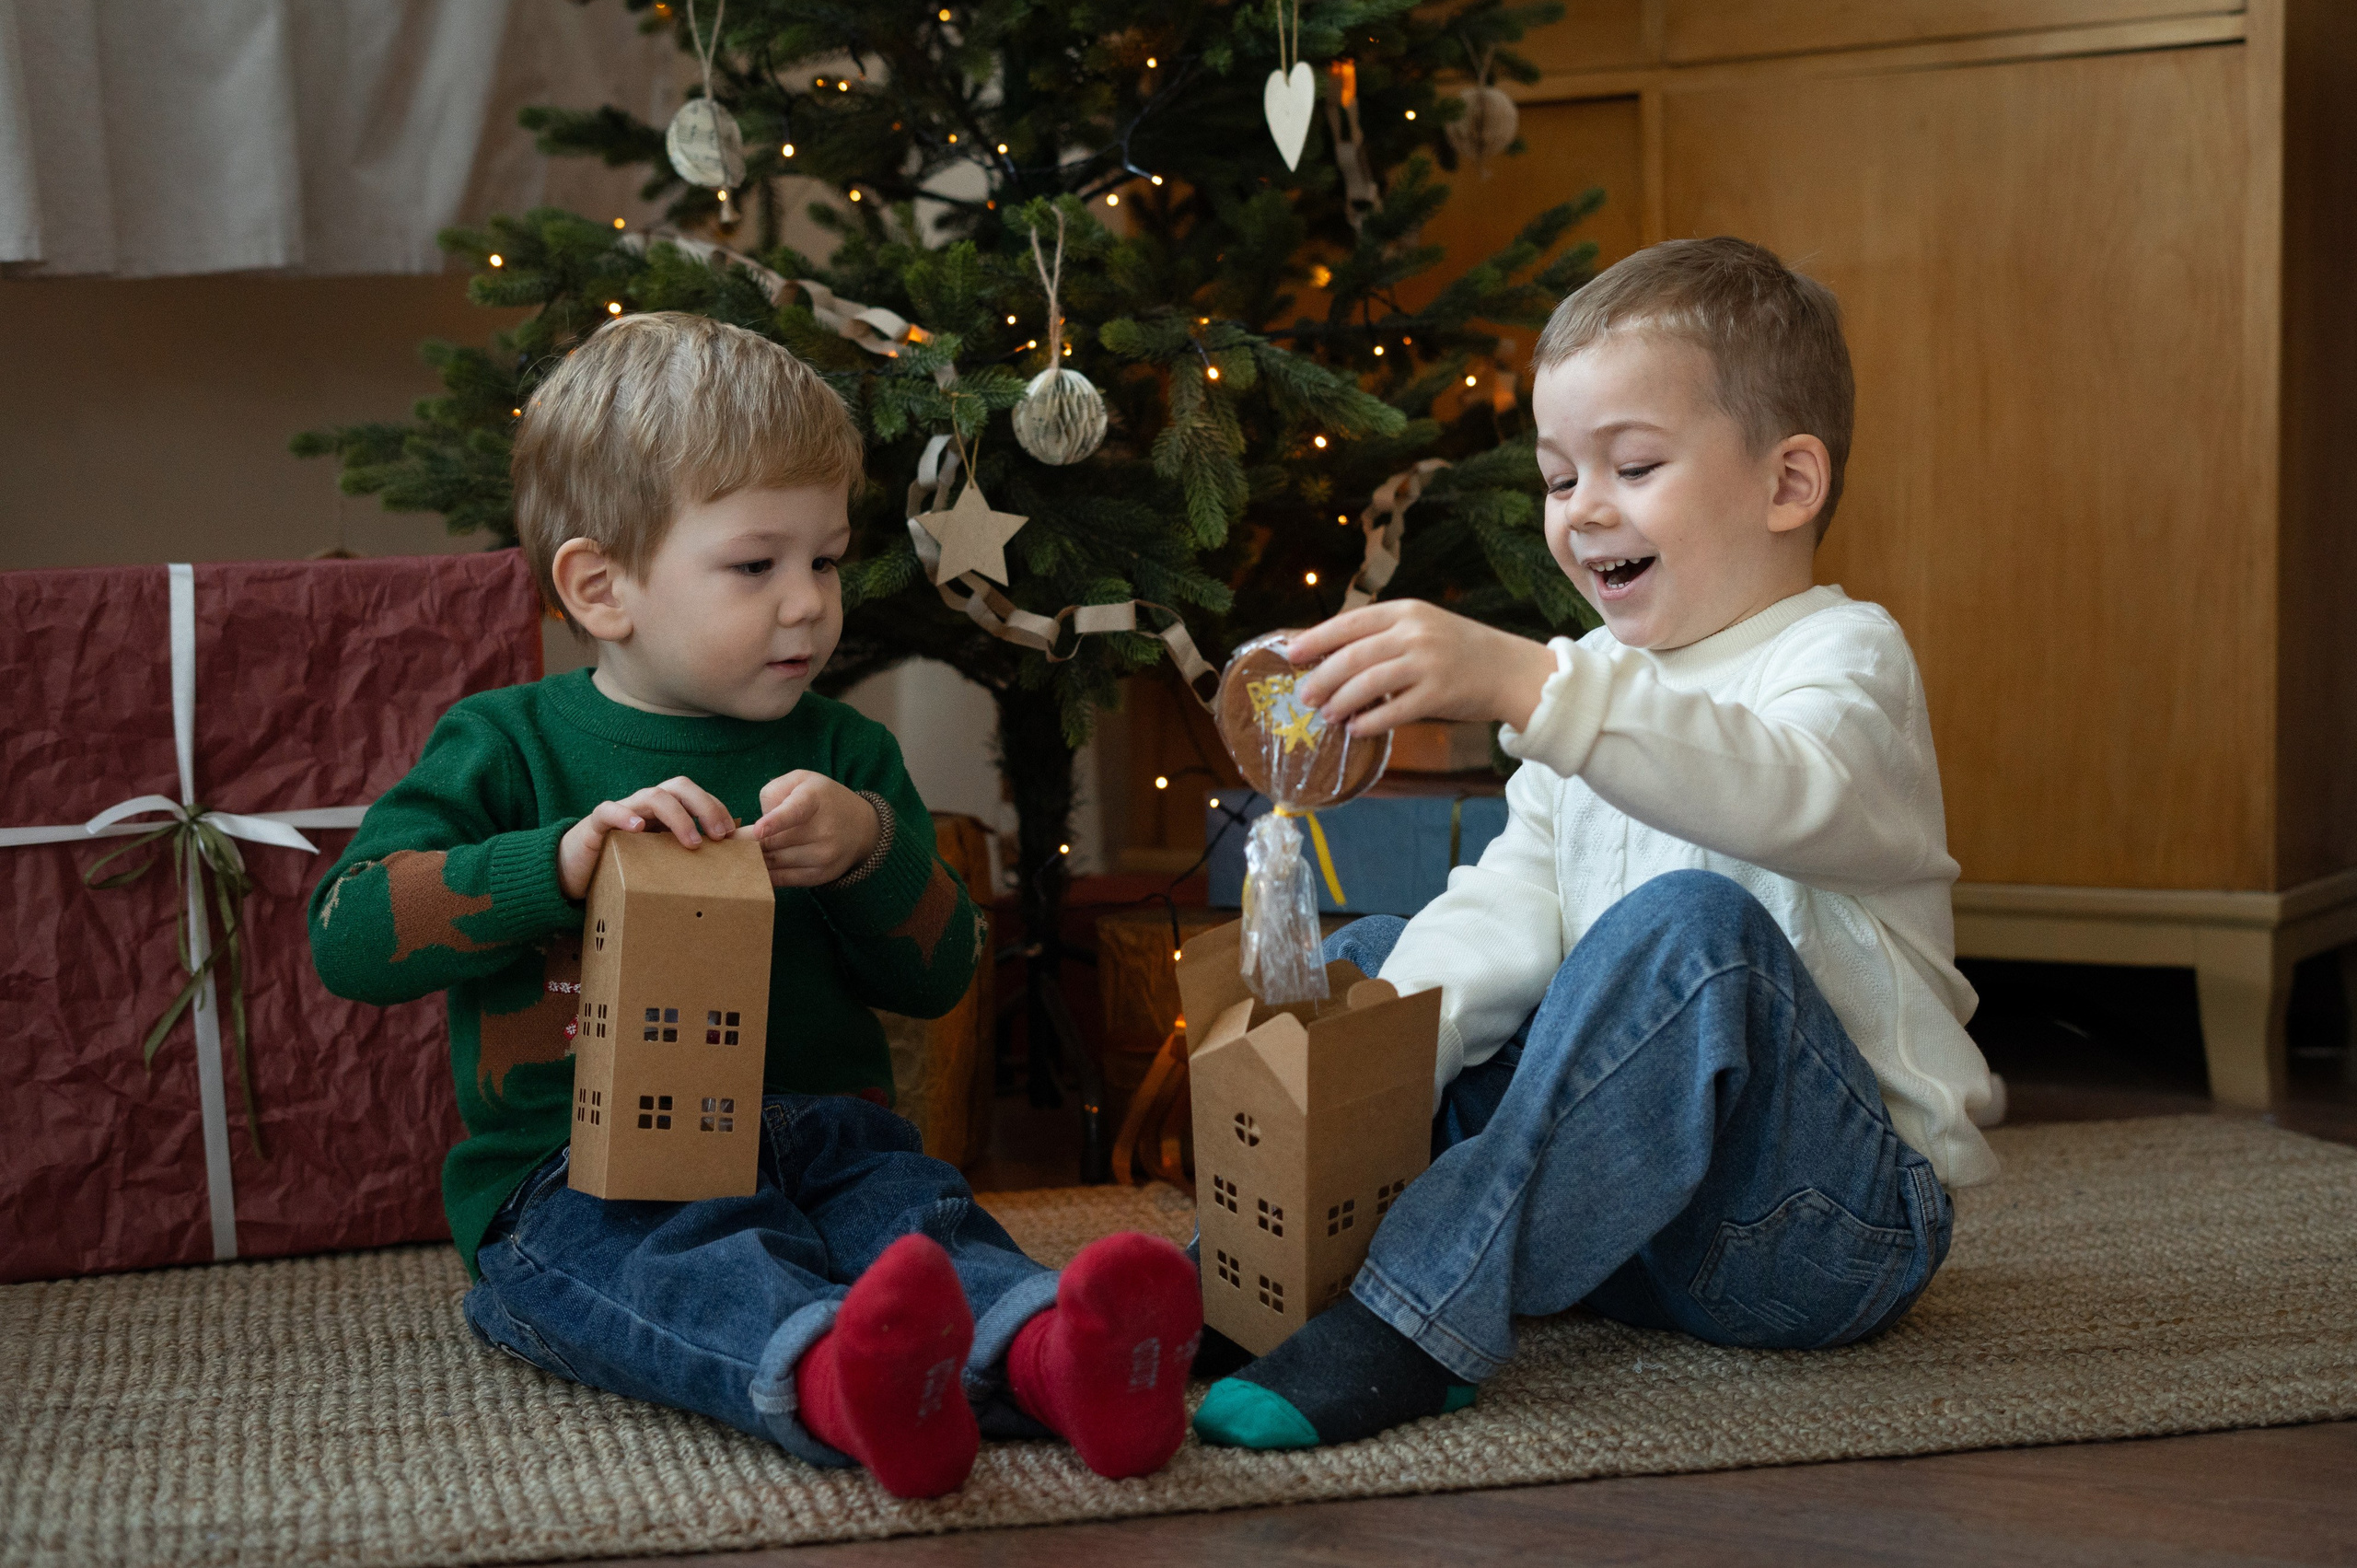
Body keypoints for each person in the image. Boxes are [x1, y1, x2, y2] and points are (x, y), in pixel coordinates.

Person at [308, 313, 1198, 1497]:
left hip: (829, 1135)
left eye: (824, 561)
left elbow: (938, 972)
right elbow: (350, 933)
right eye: (755, 565)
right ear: (602, 585)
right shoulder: (504, 746)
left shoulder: (845, 754)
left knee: (918, 1222)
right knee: (684, 1268)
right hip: (582, 1171)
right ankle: (843, 1380)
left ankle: (1056, 1355)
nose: (808, 604)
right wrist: (555, 865)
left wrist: (873, 850)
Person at [1192, 237, 2002, 1450]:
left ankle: (1417, 1313)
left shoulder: (1845, 664)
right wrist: (1361, 1073)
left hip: (1818, 1225)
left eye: (1632, 464)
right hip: (1627, 1225)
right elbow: (1512, 916)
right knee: (1389, 962)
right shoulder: (1596, 694)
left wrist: (1530, 685)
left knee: (1691, 931)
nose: (1583, 512)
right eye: (1561, 477)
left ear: (1789, 484)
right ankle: (1255, 1270)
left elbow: (1782, 791)